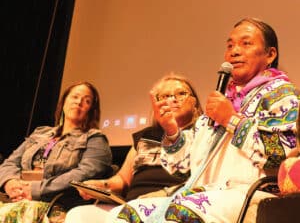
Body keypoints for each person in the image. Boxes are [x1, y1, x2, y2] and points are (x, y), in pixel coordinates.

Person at [70, 17, 299, 223]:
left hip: (249, 194)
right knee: (127, 214)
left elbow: (280, 155)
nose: (234, 51)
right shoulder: (220, 100)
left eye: (246, 43)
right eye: (230, 45)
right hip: (204, 194)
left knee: (182, 212)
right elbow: (183, 169)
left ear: (270, 54)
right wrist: (172, 133)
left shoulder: (281, 94)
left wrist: (231, 120)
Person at [64, 73, 203, 222]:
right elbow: (123, 180)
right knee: (79, 215)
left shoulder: (204, 133)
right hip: (130, 205)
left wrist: (163, 194)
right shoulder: (145, 136)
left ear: (194, 102)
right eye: (165, 96)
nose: (173, 99)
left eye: (181, 93)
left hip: (172, 205)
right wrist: (101, 185)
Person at [0, 81, 113, 222]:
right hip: (17, 197)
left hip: (56, 204)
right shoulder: (40, 133)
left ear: (91, 110)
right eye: (75, 97)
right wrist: (10, 183)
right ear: (64, 101)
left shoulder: (95, 139)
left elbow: (84, 174)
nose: (79, 102)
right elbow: (9, 163)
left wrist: (36, 189)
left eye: (87, 101)